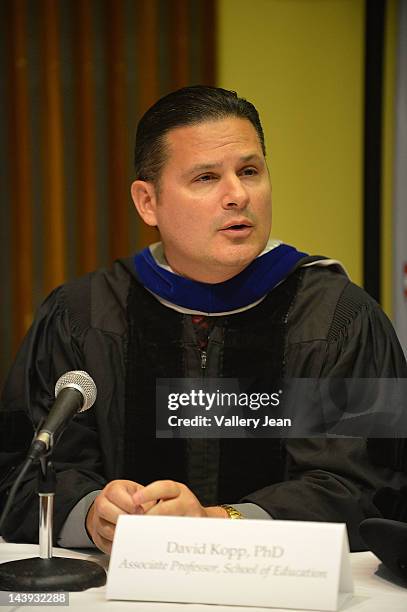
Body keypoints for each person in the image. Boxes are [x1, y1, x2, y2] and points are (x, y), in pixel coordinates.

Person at [1, 85, 406, 555]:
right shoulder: (84, 317)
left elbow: (369, 489)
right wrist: (93, 514)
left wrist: (216, 522)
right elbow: (23, 475)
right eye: (206, 178)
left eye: (250, 171)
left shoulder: (336, 319)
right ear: (147, 202)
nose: (237, 195)